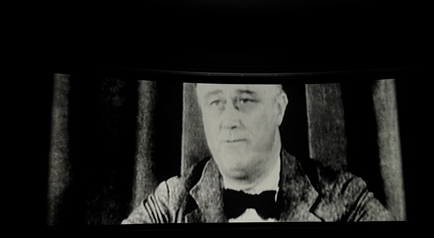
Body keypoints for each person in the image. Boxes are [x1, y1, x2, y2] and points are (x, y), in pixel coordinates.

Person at [122, 83, 395, 224]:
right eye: (215, 102)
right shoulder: (171, 201)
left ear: (279, 108)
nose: (229, 120)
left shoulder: (344, 197)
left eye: (245, 100)